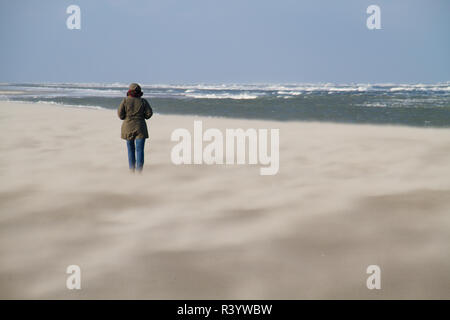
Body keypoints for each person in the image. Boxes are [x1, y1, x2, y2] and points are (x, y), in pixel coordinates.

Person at [118, 83, 153, 172]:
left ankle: (131, 171)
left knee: (130, 150)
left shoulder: (125, 101)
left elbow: (120, 115)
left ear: (129, 91)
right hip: (140, 127)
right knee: (140, 150)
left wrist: (127, 117)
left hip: (127, 127)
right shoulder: (143, 101)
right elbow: (149, 114)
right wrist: (142, 116)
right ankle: (139, 172)